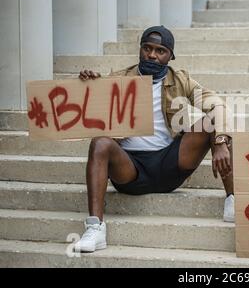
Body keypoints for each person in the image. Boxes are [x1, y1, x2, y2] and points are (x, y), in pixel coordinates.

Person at [74, 25, 234, 253]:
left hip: (170, 164)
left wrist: (219, 142)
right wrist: (89, 86)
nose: (152, 55)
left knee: (215, 124)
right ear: (139, 50)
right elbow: (86, 112)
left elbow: (217, 104)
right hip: (130, 168)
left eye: (160, 51)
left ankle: (233, 201)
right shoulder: (119, 79)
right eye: (147, 48)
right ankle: (95, 229)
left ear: (170, 56)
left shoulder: (181, 80)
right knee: (100, 142)